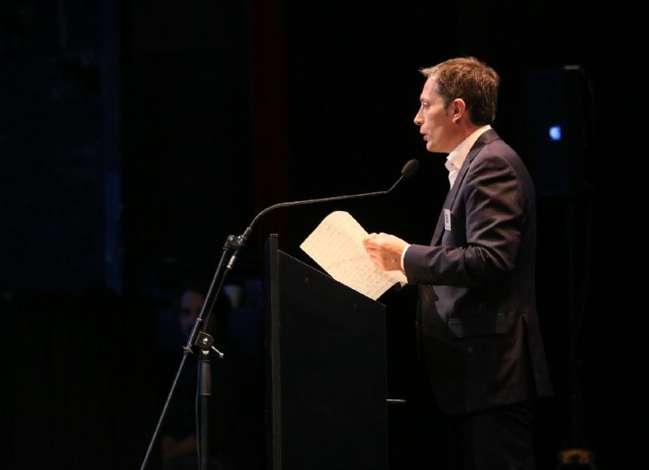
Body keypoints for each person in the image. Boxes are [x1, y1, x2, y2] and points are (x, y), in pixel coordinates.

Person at [363, 57, 553, 469]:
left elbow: (491, 259)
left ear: (457, 109)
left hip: (493, 376)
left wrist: (407, 256)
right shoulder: (471, 163)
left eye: (425, 105)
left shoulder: (492, 163)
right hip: (472, 379)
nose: (417, 118)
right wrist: (402, 270)